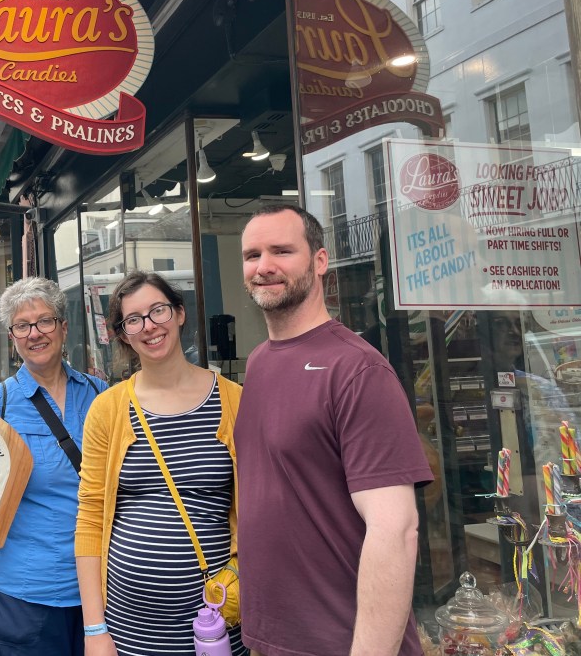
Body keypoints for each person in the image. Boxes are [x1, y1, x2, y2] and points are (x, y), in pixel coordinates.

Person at [236, 204, 433, 656]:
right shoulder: (261, 360)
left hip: (342, 641)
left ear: (320, 261)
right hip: (273, 637)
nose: (264, 266)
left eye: (282, 251)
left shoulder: (357, 370)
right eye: (252, 255)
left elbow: (396, 529)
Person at [75, 271, 245, 656]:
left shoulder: (234, 401)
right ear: (122, 334)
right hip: (128, 628)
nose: (149, 326)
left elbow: (261, 509)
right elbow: (89, 517)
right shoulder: (108, 409)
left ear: (180, 314)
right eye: (134, 319)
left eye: (158, 311)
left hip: (217, 618)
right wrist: (94, 629)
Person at [0, 277, 107, 656]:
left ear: (64, 326)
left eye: (45, 321)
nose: (35, 333)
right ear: (12, 336)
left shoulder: (102, 396)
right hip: (25, 599)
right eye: (22, 326)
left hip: (105, 590)